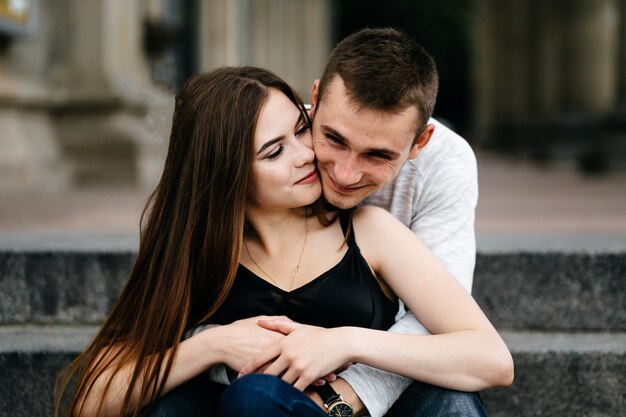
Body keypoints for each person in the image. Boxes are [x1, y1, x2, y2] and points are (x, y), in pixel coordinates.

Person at [55, 65, 512, 417]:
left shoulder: (369, 231)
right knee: (229, 401)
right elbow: (93, 399)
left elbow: (491, 359)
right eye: (274, 151)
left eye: (299, 129)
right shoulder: (200, 254)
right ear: (227, 175)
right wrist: (213, 346)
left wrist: (343, 343)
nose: (307, 154)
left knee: (451, 401)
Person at [166, 28, 495, 417]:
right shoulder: (268, 140)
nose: (344, 173)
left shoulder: (437, 169)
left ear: (419, 142)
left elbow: (443, 325)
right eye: (334, 139)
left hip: (386, 375)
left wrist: (339, 381)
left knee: (451, 402)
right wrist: (218, 345)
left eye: (377, 155)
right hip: (254, 390)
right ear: (315, 99)